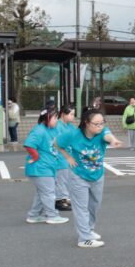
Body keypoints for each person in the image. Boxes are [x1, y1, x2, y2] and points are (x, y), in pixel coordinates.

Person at [56, 108, 123, 248]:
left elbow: (108, 136)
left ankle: (89, 230)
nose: (100, 126)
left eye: (102, 123)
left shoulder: (102, 132)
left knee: (94, 205)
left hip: (97, 175)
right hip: (78, 175)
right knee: (81, 207)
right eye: (96, 124)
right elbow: (57, 144)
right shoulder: (73, 134)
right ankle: (84, 238)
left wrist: (114, 141)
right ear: (86, 123)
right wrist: (68, 157)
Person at [24, 108, 68, 225]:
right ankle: (51, 215)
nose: (56, 120)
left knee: (42, 192)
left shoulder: (51, 129)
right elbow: (29, 144)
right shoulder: (39, 130)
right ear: (47, 118)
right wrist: (35, 157)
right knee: (49, 192)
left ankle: (34, 215)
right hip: (40, 168)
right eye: (54, 118)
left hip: (45, 167)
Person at [53, 105, 77, 211]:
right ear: (63, 114)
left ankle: (64, 198)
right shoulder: (58, 126)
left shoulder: (70, 126)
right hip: (61, 157)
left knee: (66, 179)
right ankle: (60, 200)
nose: (73, 117)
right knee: (61, 180)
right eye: (71, 114)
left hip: (68, 157)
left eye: (73, 114)